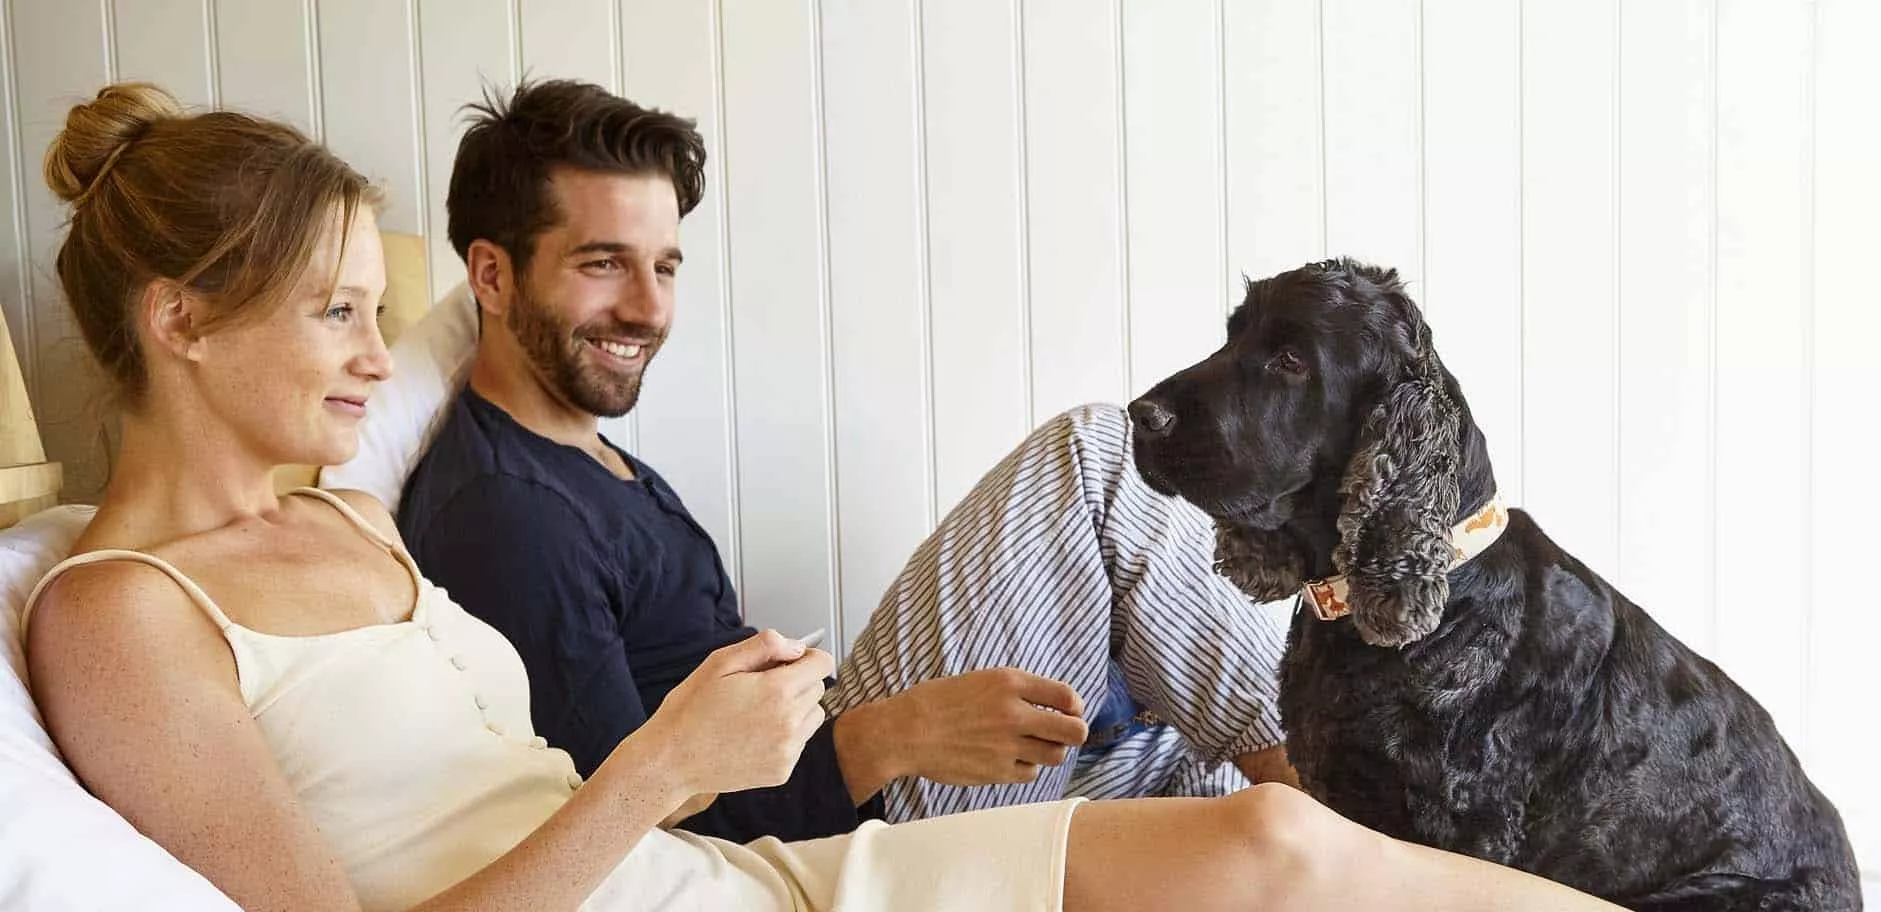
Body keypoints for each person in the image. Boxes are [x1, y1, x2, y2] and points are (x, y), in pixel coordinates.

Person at [22, 82, 1624, 912]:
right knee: (1107, 500)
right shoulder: (114, 615)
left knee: (1272, 841)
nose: (382, 354)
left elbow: (467, 353)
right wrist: (680, 764)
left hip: (738, 872)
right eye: (334, 310)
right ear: (179, 323)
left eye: (386, 310)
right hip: (707, 852)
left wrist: (708, 768)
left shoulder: (346, 517)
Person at [388, 78, 1299, 844]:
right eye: (602, 264)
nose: (646, 308)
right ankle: (1315, 776)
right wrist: (894, 735)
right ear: (493, 276)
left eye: (664, 267)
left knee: (1201, 771)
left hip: (828, 760)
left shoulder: (582, 458)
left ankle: (1334, 815)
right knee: (1098, 457)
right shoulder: (508, 513)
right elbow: (629, 828)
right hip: (843, 812)